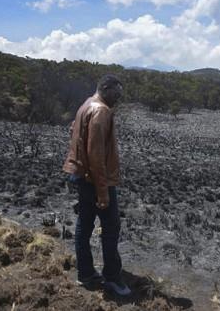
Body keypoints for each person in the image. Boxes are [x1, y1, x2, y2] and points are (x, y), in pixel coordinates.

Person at [63, 74, 131, 296]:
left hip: (82, 175)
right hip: (95, 179)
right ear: (107, 89)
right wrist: (103, 193)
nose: (118, 99)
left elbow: (74, 129)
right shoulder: (101, 111)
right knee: (111, 227)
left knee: (84, 224)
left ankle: (85, 274)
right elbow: (96, 156)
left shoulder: (86, 104)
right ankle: (112, 277)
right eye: (117, 94)